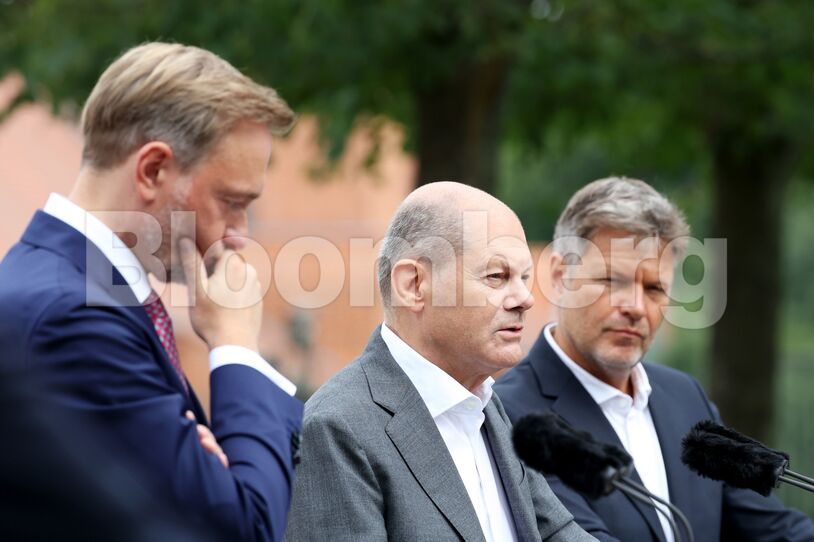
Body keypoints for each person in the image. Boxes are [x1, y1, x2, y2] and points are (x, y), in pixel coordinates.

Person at [0, 42, 303, 542]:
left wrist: (224, 477)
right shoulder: (70, 318)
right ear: (153, 170)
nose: (239, 234)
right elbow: (243, 529)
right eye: (231, 201)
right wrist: (236, 349)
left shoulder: (83, 292)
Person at [494, 177, 814, 541]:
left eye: (654, 288)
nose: (635, 307)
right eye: (612, 280)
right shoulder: (513, 415)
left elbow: (773, 530)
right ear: (559, 274)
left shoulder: (683, 395)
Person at [285, 182, 595, 542]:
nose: (525, 298)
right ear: (414, 285)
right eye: (497, 276)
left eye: (524, 278)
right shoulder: (337, 428)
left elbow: (558, 533)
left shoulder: (486, 406)